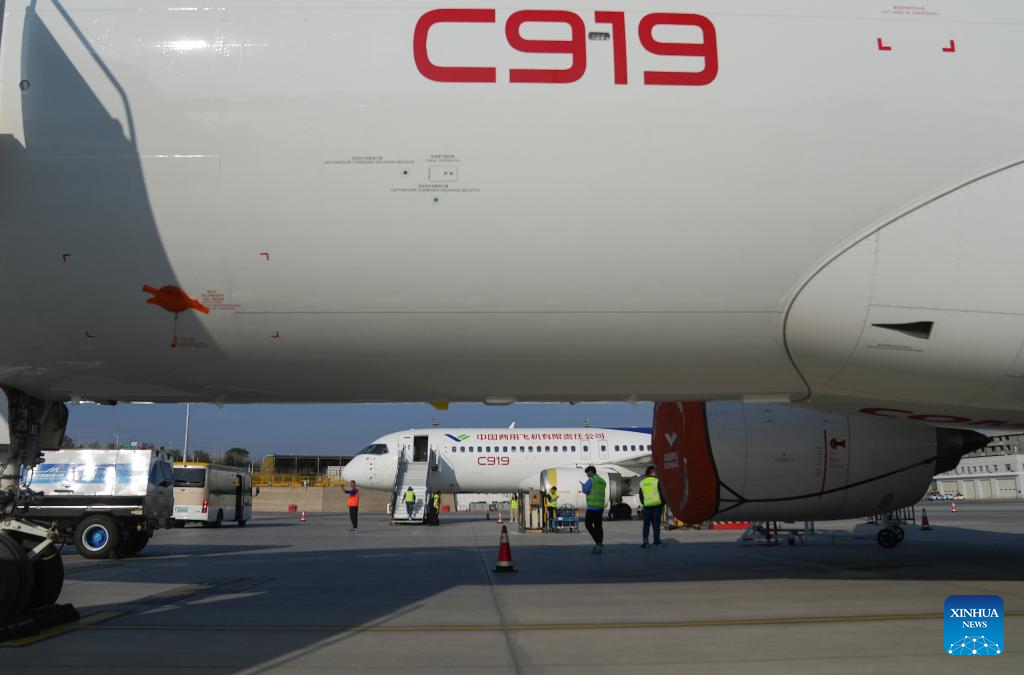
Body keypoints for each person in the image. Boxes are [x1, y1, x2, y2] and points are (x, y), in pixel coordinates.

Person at [639, 465, 666, 548]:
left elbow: (641, 496)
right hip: (657, 506)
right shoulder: (656, 481)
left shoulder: (642, 482)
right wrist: (663, 504)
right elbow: (662, 494)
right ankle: (656, 542)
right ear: (652, 473)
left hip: (646, 507)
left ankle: (645, 541)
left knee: (646, 524)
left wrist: (643, 505)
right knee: (656, 525)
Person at [581, 466, 605, 554]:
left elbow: (585, 490)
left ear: (591, 471)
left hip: (592, 507)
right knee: (598, 526)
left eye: (587, 473)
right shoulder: (602, 481)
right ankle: (600, 544)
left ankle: (598, 543)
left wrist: (583, 486)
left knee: (588, 525)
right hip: (600, 507)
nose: (587, 475)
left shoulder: (591, 480)